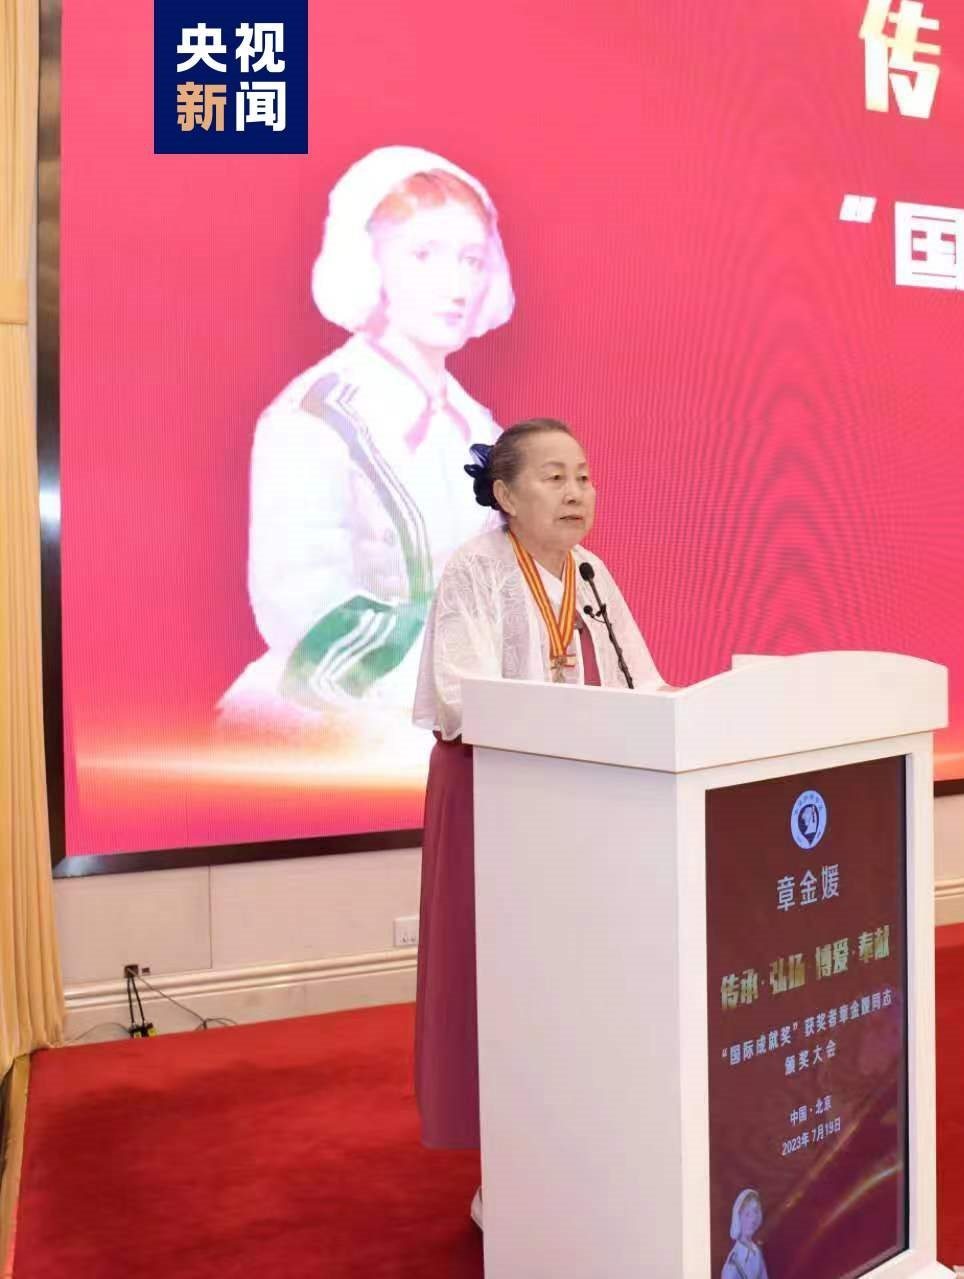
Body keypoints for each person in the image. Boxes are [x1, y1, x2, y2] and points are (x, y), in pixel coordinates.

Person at [412, 418, 666, 1228]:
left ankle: (579, 1146)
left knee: (578, 980)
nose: (575, 492)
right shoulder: (476, 568)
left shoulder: (590, 572)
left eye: (583, 475)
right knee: (501, 978)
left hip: (583, 800)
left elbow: (641, 682)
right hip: (495, 791)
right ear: (505, 494)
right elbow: (462, 695)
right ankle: (508, 1174)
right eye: (553, 477)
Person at [217, 145, 515, 754]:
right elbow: (301, 603)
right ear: (369, 262)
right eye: (423, 255)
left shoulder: (477, 426)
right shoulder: (316, 415)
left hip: (468, 701)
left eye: (471, 260)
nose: (456, 284)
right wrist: (440, 685)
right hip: (342, 708)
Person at [722, 1189, 770, 1279]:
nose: (753, 1219)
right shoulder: (733, 1260)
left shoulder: (757, 1251)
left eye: (755, 1212)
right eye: (747, 1214)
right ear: (738, 1217)